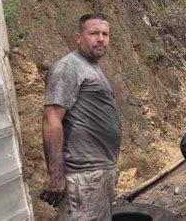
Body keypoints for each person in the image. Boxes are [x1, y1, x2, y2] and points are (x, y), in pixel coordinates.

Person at [40, 13, 122, 220]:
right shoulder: (68, 67)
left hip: (98, 173)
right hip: (82, 176)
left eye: (105, 34)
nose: (101, 38)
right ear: (78, 37)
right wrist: (56, 175)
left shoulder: (91, 67)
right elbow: (52, 119)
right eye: (94, 33)